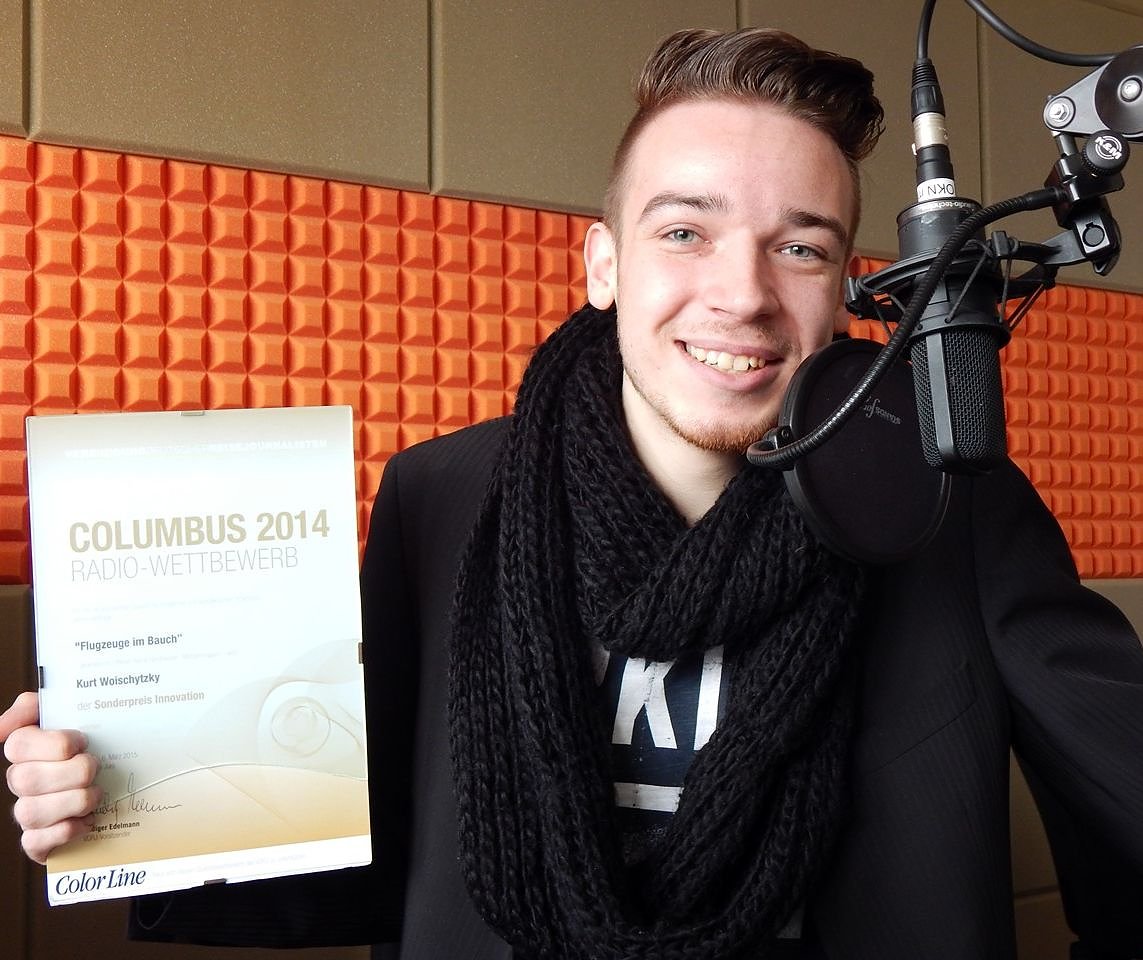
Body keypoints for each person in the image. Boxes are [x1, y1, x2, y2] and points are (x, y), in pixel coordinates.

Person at [4, 26, 1143, 960]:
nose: (742, 294)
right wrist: (131, 801)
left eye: (798, 249)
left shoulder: (949, 508)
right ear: (603, 264)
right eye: (685, 231)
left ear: (847, 284)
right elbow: (377, 857)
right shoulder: (439, 497)